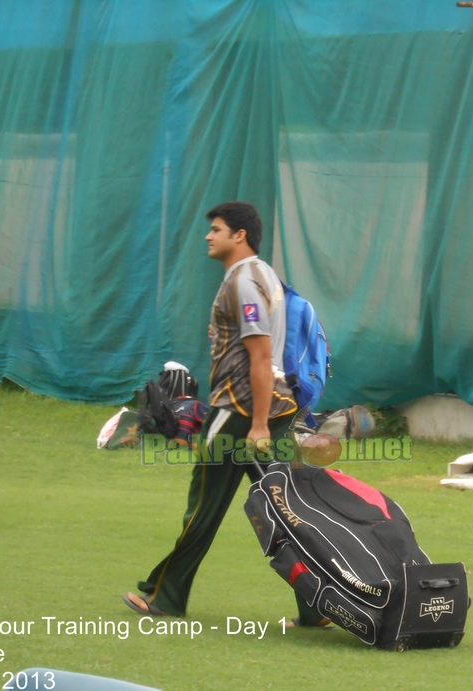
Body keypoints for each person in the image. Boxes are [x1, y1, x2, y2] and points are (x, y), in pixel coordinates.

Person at [123, 201, 328, 627]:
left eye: (216, 229)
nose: (207, 235)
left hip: (241, 411)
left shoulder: (243, 283)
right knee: (286, 510)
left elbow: (260, 355)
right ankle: (319, 605)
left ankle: (166, 598)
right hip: (277, 408)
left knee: (203, 508)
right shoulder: (266, 273)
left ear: (240, 235)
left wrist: (254, 425)